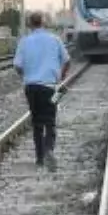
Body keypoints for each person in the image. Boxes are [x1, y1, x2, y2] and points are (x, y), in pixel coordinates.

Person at [12, 12, 70, 171]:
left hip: (31, 88)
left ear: (30, 24)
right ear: (44, 23)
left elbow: (17, 65)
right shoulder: (55, 39)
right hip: (50, 88)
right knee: (50, 120)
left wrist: (25, 76)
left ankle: (39, 158)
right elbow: (67, 60)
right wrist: (61, 76)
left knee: (36, 122)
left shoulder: (24, 42)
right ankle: (49, 149)